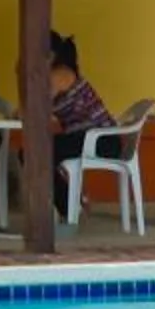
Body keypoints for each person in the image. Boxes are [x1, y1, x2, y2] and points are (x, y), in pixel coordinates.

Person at [47, 37, 115, 219]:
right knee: (34, 152)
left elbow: (35, 108)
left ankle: (70, 207)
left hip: (101, 140)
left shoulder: (59, 74)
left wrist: (20, 72)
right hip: (87, 138)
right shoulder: (57, 73)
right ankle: (73, 202)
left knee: (36, 153)